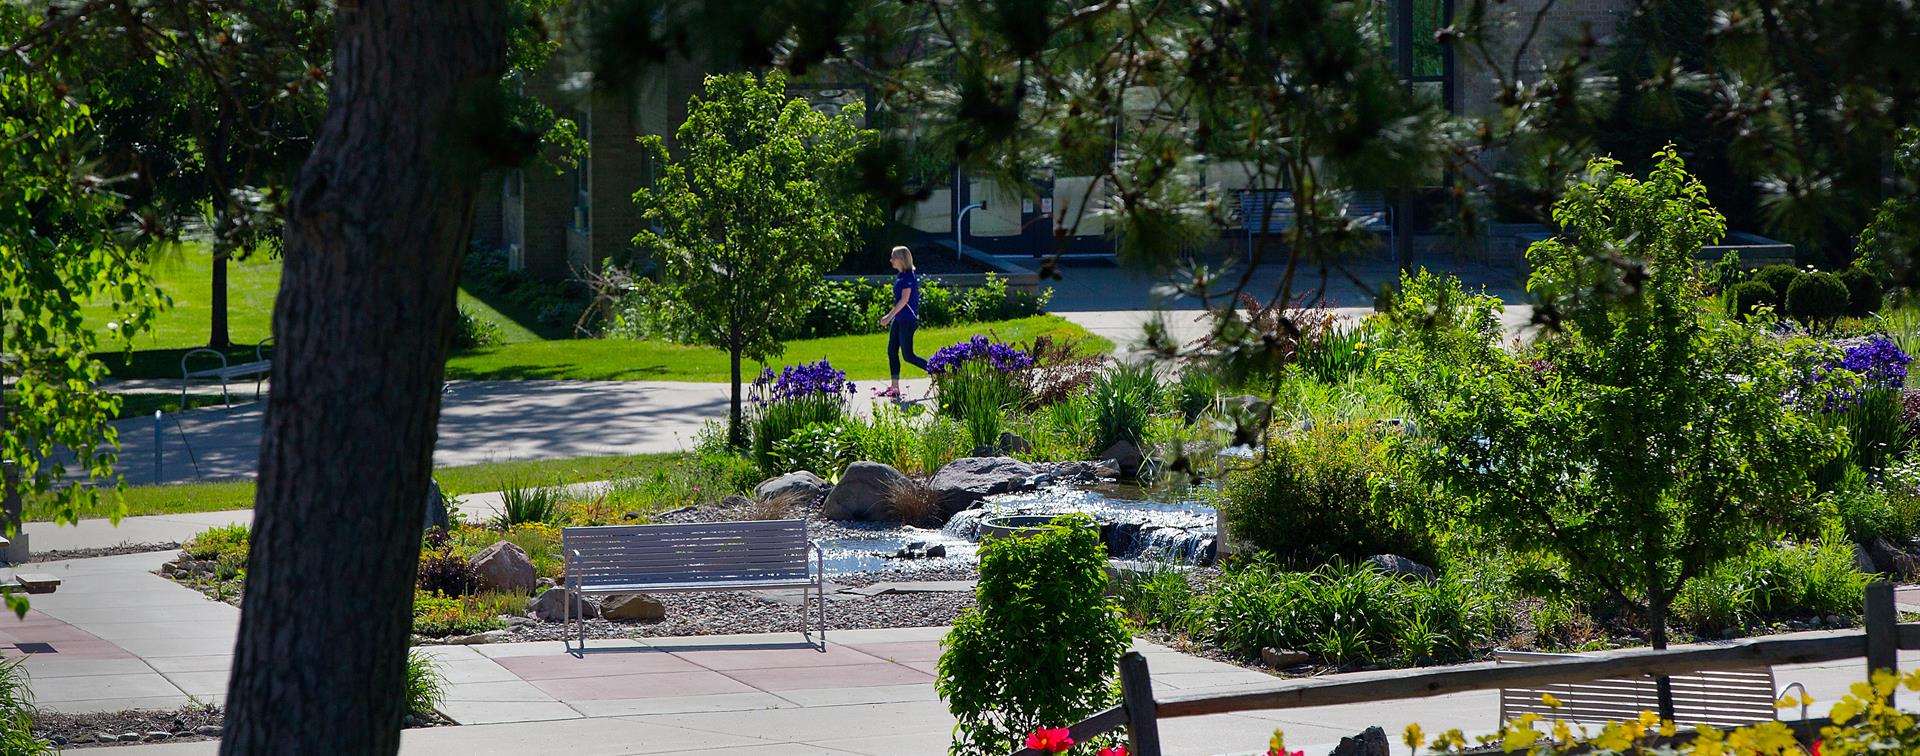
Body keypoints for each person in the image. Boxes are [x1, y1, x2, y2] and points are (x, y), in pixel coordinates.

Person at [879, 245, 929, 399]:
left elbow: (904, 300)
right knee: (891, 351)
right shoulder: (901, 276)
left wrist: (888, 316)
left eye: (893, 257)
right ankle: (894, 388)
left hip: (908, 321)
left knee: (908, 355)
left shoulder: (908, 277)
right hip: (900, 320)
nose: (891, 260)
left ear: (901, 259)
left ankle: (939, 371)